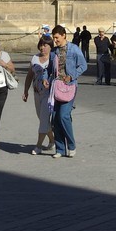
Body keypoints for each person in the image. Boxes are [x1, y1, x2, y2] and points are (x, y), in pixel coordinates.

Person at [50, 24, 87, 157]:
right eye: (54, 38)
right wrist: (44, 78)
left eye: (57, 37)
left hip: (70, 85)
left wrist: (72, 76)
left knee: (64, 115)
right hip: (56, 86)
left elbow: (83, 65)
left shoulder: (74, 49)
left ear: (64, 35)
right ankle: (60, 149)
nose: (55, 40)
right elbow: (49, 69)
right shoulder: (54, 51)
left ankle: (71, 145)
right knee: (55, 118)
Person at [23, 37, 55, 155]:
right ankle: (52, 140)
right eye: (41, 45)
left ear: (51, 46)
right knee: (42, 118)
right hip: (36, 93)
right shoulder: (35, 58)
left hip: (49, 93)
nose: (43, 47)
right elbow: (29, 75)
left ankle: (38, 146)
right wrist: (25, 90)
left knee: (44, 119)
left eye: (45, 45)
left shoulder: (53, 59)